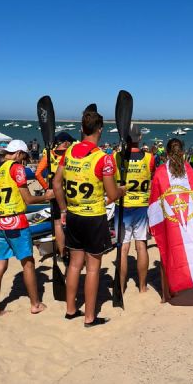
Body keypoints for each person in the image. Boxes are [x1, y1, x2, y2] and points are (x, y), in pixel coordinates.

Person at [53, 109, 126, 327]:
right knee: (93, 267)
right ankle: (89, 317)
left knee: (75, 264)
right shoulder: (103, 159)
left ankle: (70, 309)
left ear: (81, 129)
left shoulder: (70, 150)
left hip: (74, 215)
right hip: (93, 217)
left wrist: (64, 209)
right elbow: (112, 195)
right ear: (100, 130)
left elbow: (57, 184)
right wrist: (121, 190)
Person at [0, 140, 54, 317]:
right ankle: (35, 304)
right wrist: (47, 196)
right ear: (17, 153)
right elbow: (28, 199)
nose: (24, 160)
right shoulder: (16, 168)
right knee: (28, 264)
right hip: (15, 221)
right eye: (23, 156)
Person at [148, 138, 193, 304]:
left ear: (167, 153)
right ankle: (179, 286)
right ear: (182, 152)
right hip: (188, 217)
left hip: (169, 217)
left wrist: (153, 221)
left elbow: (155, 199)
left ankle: (165, 294)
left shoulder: (161, 171)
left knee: (165, 252)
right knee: (185, 247)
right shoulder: (188, 170)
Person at [114, 123, 155, 294]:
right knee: (141, 246)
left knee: (123, 249)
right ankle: (143, 287)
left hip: (123, 206)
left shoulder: (117, 156)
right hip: (142, 207)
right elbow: (151, 176)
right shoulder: (149, 157)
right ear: (140, 138)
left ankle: (121, 287)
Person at [34, 131, 74, 259]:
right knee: (71, 223)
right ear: (66, 143)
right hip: (70, 193)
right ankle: (72, 251)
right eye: (70, 142)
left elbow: (37, 173)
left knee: (58, 224)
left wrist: (47, 188)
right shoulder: (71, 155)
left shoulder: (49, 154)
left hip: (55, 194)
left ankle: (62, 253)